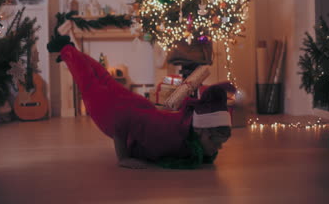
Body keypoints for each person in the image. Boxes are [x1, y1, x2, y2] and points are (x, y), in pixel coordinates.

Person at [47, 35, 234, 169]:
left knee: (104, 79)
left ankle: (71, 48)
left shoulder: (187, 133)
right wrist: (123, 158)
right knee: (89, 84)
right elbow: (120, 123)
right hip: (114, 114)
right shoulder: (170, 137)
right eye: (217, 144)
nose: (218, 149)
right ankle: (67, 50)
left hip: (136, 107)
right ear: (203, 132)